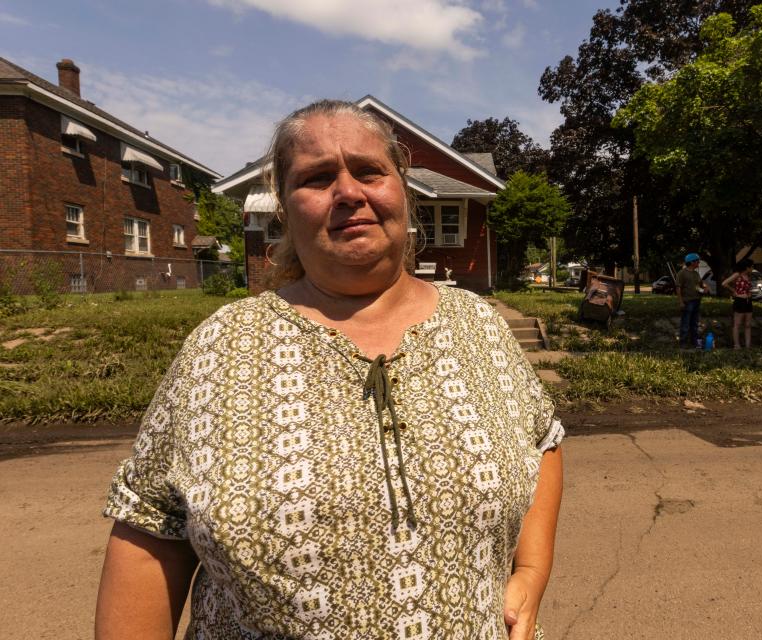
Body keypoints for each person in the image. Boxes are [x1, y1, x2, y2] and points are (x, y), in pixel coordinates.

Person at [95, 100, 564, 640]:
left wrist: (529, 573)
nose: (348, 193)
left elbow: (543, 437)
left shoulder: (478, 326)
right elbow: (151, 529)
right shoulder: (221, 346)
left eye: (369, 171)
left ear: (403, 193)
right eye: (317, 178)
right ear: (285, 210)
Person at [676, 253, 709, 348]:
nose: (699, 262)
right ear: (691, 262)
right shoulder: (682, 273)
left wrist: (705, 287)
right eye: (697, 261)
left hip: (696, 301)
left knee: (695, 323)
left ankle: (695, 342)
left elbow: (700, 284)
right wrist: (681, 302)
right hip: (687, 302)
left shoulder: (696, 273)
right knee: (685, 323)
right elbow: (678, 288)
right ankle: (683, 343)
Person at [721, 258, 754, 349]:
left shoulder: (748, 276)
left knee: (748, 324)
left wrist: (750, 292)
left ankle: (748, 346)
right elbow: (724, 283)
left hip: (748, 301)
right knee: (737, 324)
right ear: (747, 267)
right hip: (740, 301)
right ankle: (737, 345)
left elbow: (747, 288)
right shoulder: (737, 274)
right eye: (751, 267)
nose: (752, 268)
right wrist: (734, 291)